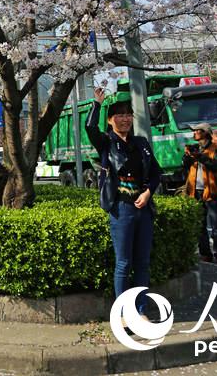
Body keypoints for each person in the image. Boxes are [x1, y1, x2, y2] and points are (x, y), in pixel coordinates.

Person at [87, 88, 161, 323]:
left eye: (128, 114)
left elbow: (156, 173)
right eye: (119, 115)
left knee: (142, 263)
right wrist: (96, 104)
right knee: (123, 263)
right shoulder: (106, 142)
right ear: (111, 120)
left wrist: (148, 192)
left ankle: (140, 311)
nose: (125, 119)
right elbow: (90, 128)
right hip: (122, 209)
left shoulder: (141, 143)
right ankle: (122, 314)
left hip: (144, 209)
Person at [182, 123, 217, 265]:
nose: (194, 133)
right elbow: (185, 166)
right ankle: (205, 254)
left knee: (216, 225)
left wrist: (200, 156)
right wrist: (187, 157)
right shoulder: (194, 148)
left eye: (197, 131)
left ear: (206, 133)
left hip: (211, 191)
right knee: (200, 225)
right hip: (195, 191)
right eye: (194, 131)